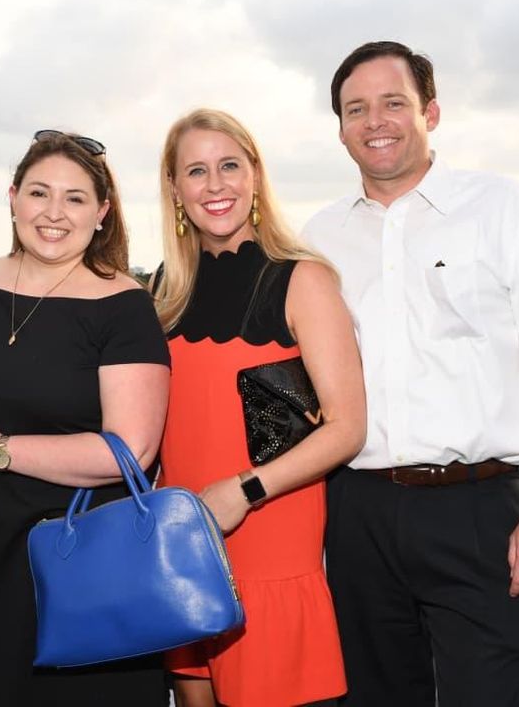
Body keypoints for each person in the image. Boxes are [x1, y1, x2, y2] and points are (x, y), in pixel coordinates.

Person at [302, 41, 519, 707]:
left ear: (430, 112)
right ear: (340, 128)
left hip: (477, 512)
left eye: (393, 103)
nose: (375, 120)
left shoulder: (502, 208)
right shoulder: (318, 237)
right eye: (357, 108)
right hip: (356, 512)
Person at [0, 130, 171, 706]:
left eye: (74, 198)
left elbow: (131, 450)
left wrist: (0, 450)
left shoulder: (124, 306)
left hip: (79, 563)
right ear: (13, 197)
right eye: (39, 193)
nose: (53, 213)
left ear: (102, 214)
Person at [153, 108, 367, 707]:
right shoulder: (161, 295)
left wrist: (243, 492)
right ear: (174, 188)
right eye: (196, 171)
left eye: (229, 166)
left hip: (269, 536)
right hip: (187, 548)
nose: (215, 185)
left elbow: (348, 427)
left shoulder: (303, 280)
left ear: (255, 175)